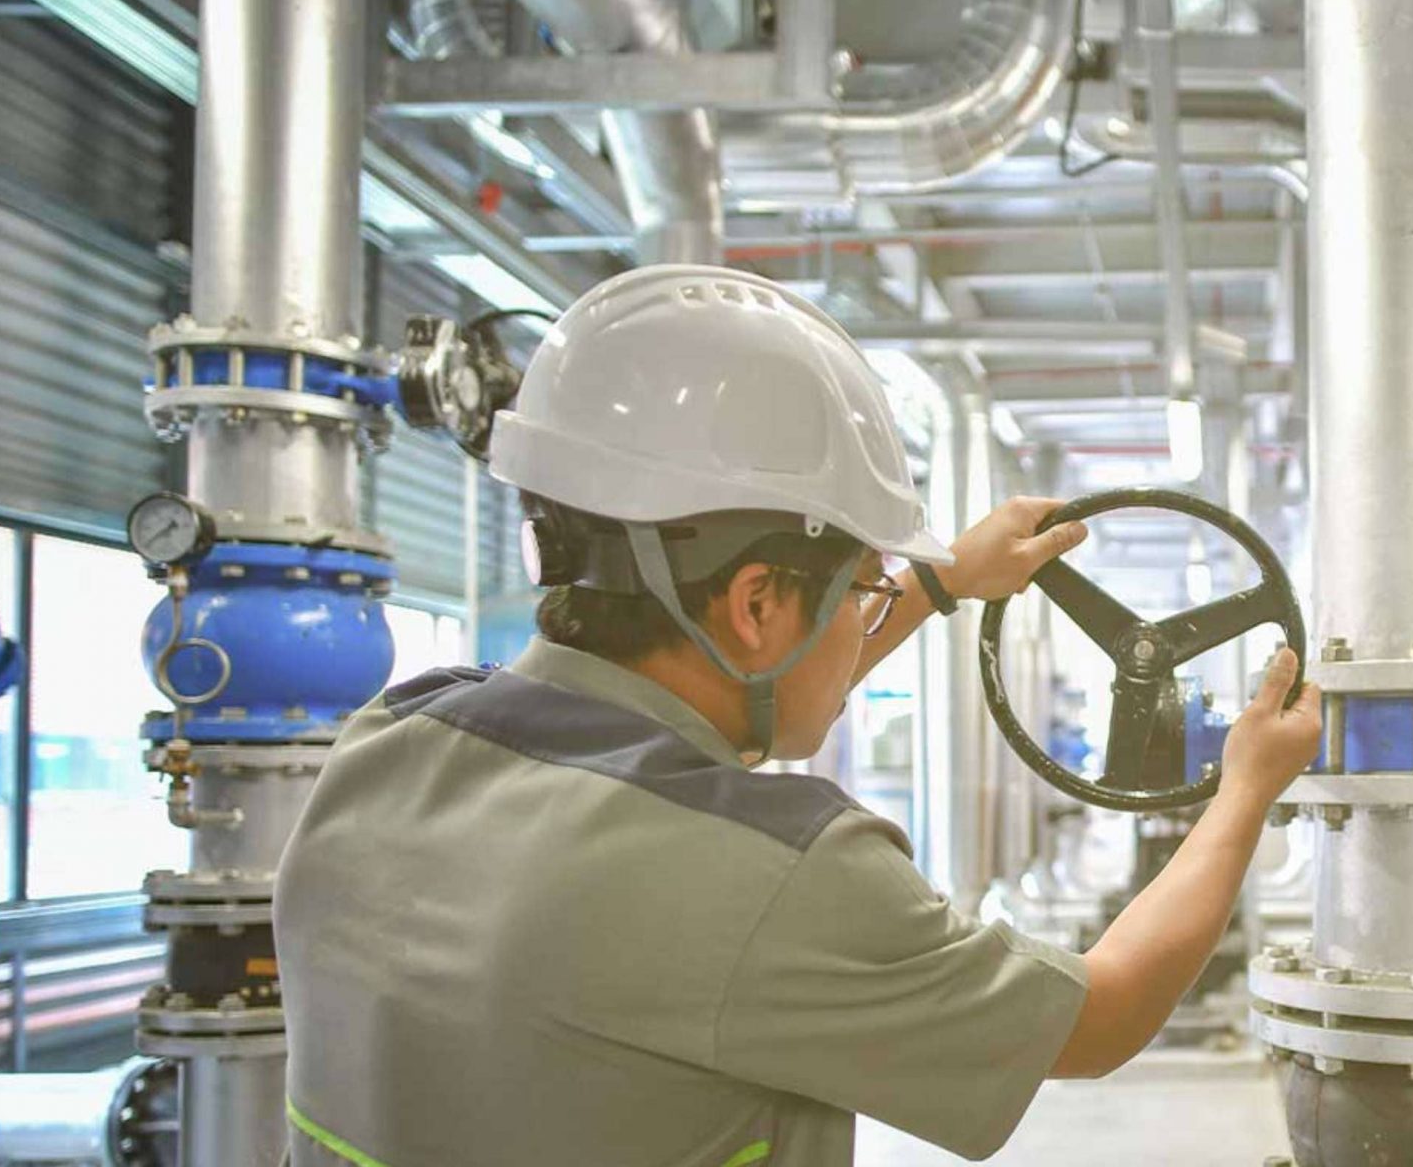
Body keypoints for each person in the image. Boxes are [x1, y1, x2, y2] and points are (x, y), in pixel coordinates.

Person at [274, 264, 1323, 1166]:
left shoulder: (390, 744)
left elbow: (721, 721)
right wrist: (1241, 793)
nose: (873, 613)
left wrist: (941, 581)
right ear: (758, 603)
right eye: (866, 591)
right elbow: (1098, 1015)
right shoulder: (781, 874)